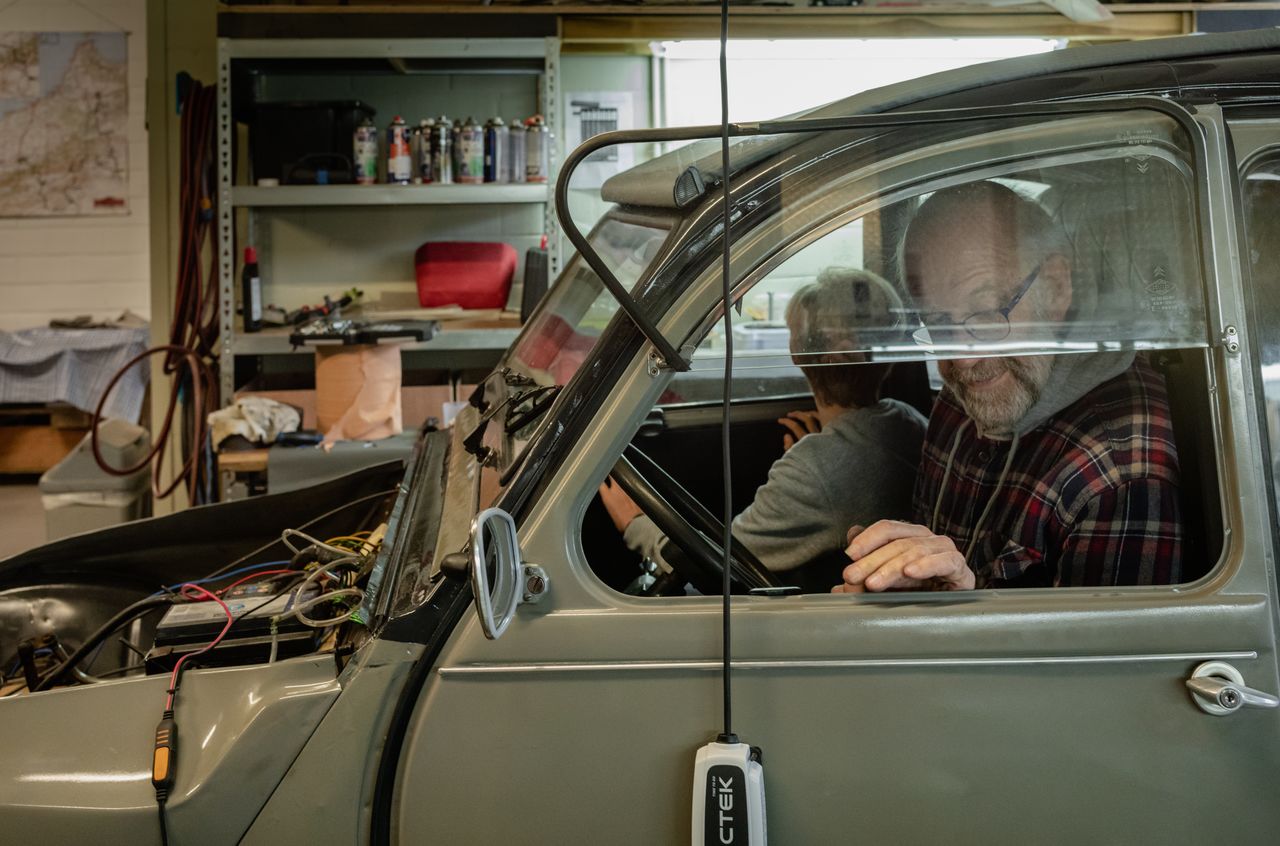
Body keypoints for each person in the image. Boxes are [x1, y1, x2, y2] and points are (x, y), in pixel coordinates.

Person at [836, 181, 1183, 593]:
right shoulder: (960, 401)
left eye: (984, 314)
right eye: (938, 323)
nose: (963, 360)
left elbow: (1099, 657)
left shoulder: (1121, 471)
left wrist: (964, 609)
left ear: (1055, 288)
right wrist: (907, 580)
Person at [599, 267, 927, 575]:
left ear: (798, 352)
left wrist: (635, 523)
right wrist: (826, 446)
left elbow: (721, 566)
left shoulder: (814, 469)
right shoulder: (909, 421)